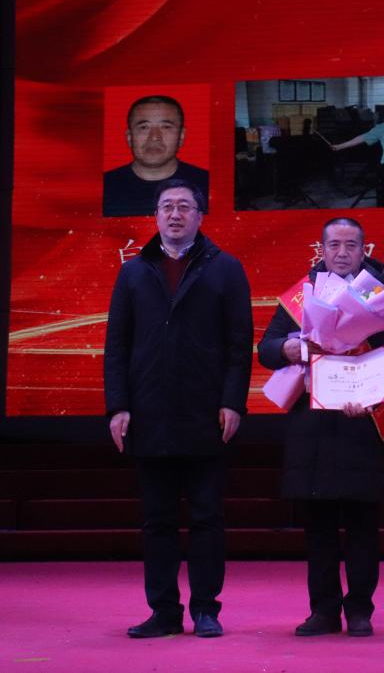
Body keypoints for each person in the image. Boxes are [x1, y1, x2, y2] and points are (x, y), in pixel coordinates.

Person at [104, 179, 253, 638]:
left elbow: (239, 345)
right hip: (149, 414)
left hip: (207, 414)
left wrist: (232, 401)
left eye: (184, 207)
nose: (175, 214)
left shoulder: (225, 268)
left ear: (199, 216)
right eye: (166, 206)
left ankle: (206, 609)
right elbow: (117, 346)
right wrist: (118, 406)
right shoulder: (134, 272)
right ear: (155, 216)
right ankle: (164, 611)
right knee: (158, 520)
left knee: (207, 517)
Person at [257, 217, 384, 637]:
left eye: (351, 245)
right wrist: (286, 347)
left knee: (362, 524)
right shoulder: (301, 295)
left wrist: (371, 392)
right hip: (313, 425)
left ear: (364, 250)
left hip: (362, 421)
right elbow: (266, 348)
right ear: (321, 250)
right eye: (334, 245)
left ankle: (360, 610)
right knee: (318, 525)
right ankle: (323, 610)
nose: (342, 253)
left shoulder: (382, 297)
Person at [103, 95, 210, 217]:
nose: (154, 137)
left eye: (166, 127)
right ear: (129, 137)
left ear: (181, 136)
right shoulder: (103, 187)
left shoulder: (208, 186)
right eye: (144, 127)